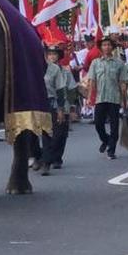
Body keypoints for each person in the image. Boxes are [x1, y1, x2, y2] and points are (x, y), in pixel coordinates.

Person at [87, 37, 125, 159]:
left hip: (114, 97)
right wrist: (89, 97)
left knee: (114, 125)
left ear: (112, 47)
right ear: (101, 47)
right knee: (98, 123)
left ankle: (112, 150)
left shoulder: (119, 63)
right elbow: (92, 81)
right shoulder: (95, 63)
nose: (107, 47)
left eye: (109, 45)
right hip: (100, 98)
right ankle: (106, 139)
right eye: (104, 45)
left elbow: (122, 82)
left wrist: (125, 100)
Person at [38, 47, 74, 175]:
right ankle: (46, 161)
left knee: (60, 133)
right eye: (50, 54)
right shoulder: (41, 69)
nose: (52, 56)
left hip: (61, 103)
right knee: (47, 132)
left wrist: (70, 108)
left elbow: (69, 90)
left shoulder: (64, 71)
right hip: (45, 103)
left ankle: (55, 157)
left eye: (54, 54)